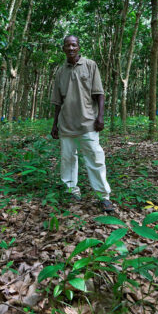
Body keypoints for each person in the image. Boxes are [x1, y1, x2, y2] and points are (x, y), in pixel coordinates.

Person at [50, 35, 114, 213]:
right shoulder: (60, 71)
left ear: (78, 47)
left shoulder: (90, 65)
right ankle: (71, 191)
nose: (70, 48)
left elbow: (99, 94)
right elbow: (57, 102)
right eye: (67, 45)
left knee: (95, 159)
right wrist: (55, 124)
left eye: (74, 45)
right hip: (66, 124)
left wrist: (100, 117)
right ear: (63, 48)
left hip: (88, 123)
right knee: (68, 159)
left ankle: (103, 196)